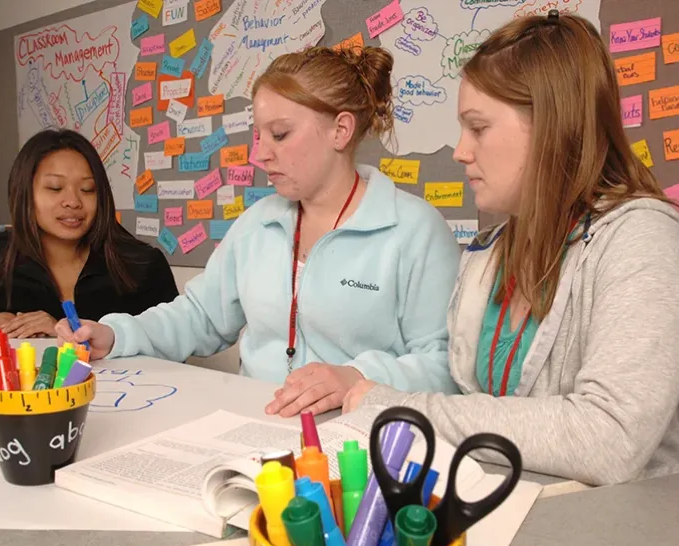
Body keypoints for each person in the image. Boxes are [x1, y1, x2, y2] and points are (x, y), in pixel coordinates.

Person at [342, 11, 679, 487]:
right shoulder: (489, 254)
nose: (460, 151)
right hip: (506, 501)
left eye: (477, 128)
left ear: (551, 128)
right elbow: (477, 409)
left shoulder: (641, 237)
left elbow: (609, 439)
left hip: (628, 525)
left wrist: (399, 408)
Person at [56, 46, 462, 416]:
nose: (259, 153)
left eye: (280, 134)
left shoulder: (414, 230)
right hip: (254, 429)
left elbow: (444, 364)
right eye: (258, 135)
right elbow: (199, 317)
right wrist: (115, 334)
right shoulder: (258, 223)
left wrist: (357, 378)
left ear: (340, 130)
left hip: (358, 436)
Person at [0, 129, 179, 337]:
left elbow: (175, 338)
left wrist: (63, 330)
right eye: (55, 188)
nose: (73, 201)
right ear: (24, 194)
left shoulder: (141, 264)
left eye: (88, 190)